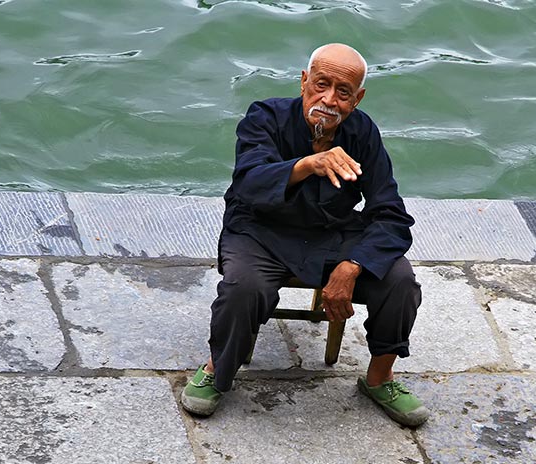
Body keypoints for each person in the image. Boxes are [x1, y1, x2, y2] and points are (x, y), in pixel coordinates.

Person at [181, 43, 429, 427]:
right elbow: (248, 184)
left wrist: (353, 264)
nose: (329, 99)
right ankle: (218, 368)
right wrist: (308, 164)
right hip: (260, 230)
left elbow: (392, 214)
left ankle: (380, 378)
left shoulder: (362, 133)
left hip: (331, 233)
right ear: (303, 82)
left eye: (343, 92)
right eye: (321, 84)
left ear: (357, 98)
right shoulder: (264, 117)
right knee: (244, 287)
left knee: (400, 281)